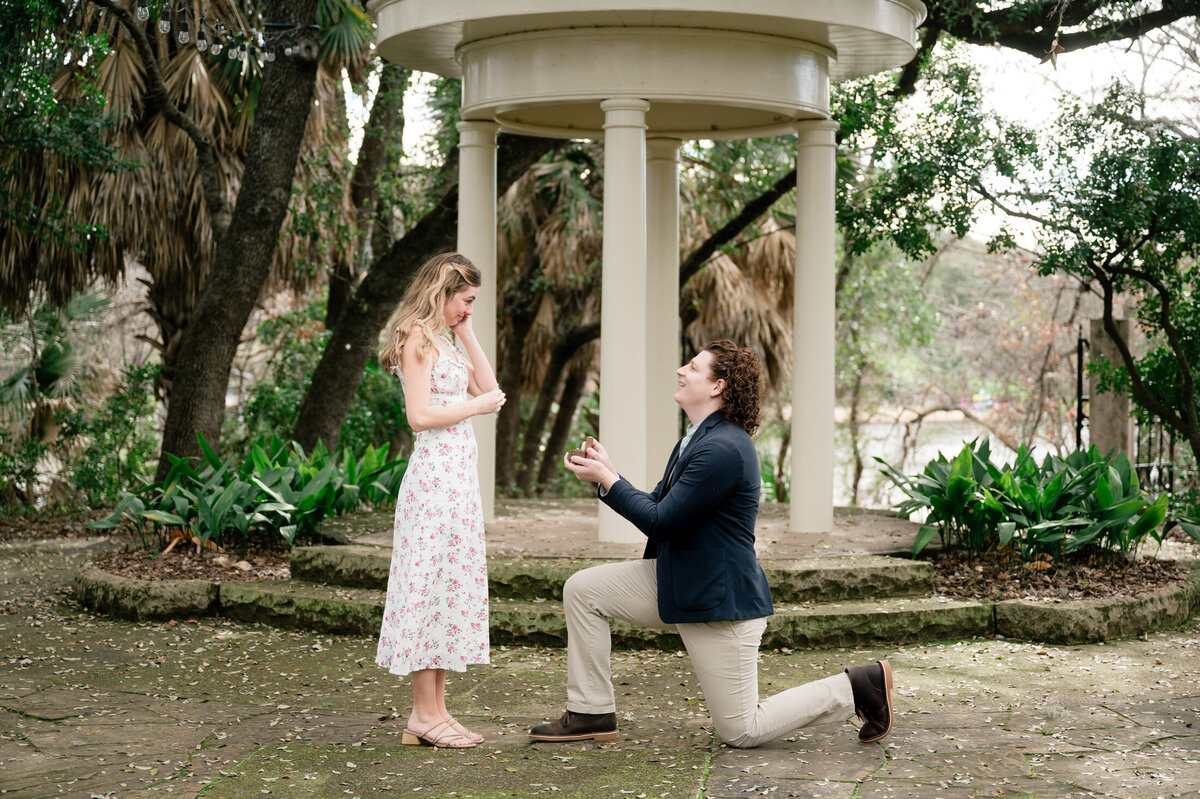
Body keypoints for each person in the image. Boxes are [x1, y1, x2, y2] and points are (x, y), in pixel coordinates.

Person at [529, 340, 894, 748]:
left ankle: (858, 687)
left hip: (719, 601)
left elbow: (660, 522)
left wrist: (608, 480)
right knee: (583, 590)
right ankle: (590, 712)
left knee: (742, 730)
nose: (680, 370)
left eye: (692, 367)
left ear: (718, 386)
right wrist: (610, 473)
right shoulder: (698, 438)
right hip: (681, 578)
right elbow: (660, 506)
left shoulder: (723, 448)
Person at [375, 252, 506, 749]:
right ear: (443, 291)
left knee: (449, 592)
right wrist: (472, 407)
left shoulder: (448, 339)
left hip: (458, 485)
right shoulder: (416, 336)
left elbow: (491, 390)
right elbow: (419, 415)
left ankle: (438, 711)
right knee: (428, 589)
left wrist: (468, 333)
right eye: (465, 300)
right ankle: (422, 715)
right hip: (432, 483)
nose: (468, 309)